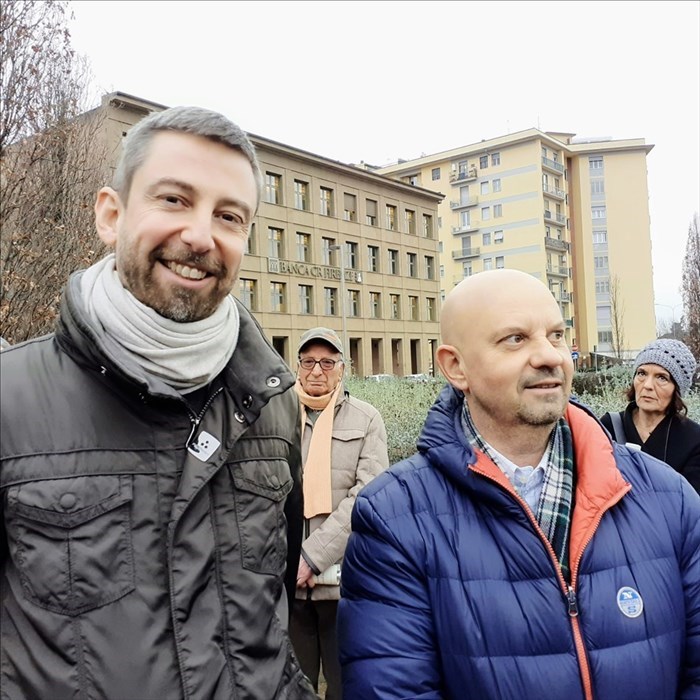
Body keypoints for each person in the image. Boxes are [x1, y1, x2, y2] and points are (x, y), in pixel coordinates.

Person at [0, 106, 315, 699]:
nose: (200, 235)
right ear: (110, 215)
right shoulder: (9, 399)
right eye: (173, 200)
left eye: (228, 215)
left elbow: (274, 610)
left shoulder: (271, 404)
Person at [337, 269, 700, 699]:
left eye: (556, 335)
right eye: (515, 339)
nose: (549, 356)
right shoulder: (395, 518)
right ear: (456, 367)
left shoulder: (670, 499)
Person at [290, 327, 388, 699]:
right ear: (298, 367)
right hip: (288, 584)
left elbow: (366, 495)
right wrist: (288, 562)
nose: (317, 371)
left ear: (342, 369)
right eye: (309, 362)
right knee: (291, 685)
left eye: (327, 362)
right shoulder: (276, 414)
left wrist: (312, 557)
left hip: (344, 583)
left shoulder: (366, 419)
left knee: (346, 686)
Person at [601, 338, 700, 493]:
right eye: (642, 373)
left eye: (662, 378)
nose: (647, 385)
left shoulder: (693, 439)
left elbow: (690, 506)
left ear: (677, 390)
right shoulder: (609, 426)